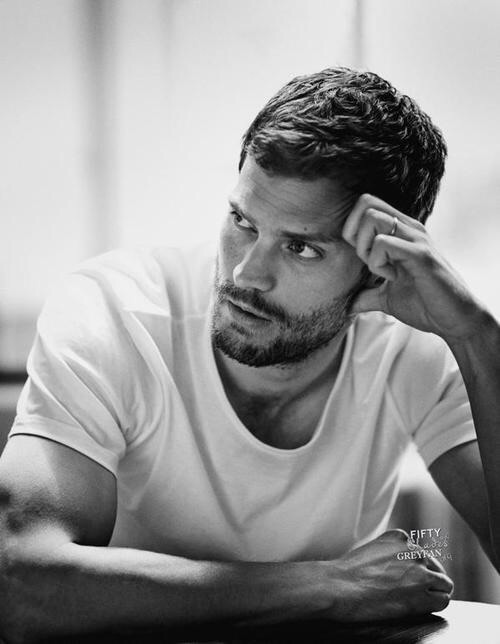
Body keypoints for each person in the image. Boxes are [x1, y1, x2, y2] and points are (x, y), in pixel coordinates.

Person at [1, 67, 499, 642]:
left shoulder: (413, 346)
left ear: (375, 266)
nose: (245, 273)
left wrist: (477, 336)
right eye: (242, 221)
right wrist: (329, 586)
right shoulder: (116, 313)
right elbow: (20, 584)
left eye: (300, 248)